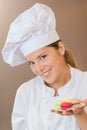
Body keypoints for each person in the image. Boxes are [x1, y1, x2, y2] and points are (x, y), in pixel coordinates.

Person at [1, 3, 87, 130]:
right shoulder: (25, 93)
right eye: (31, 63)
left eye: (42, 57)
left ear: (61, 49)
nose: (39, 69)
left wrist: (80, 115)